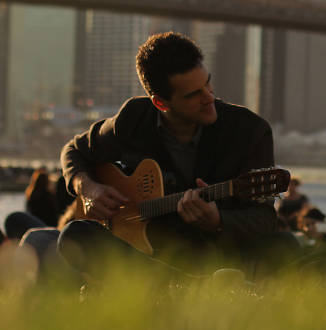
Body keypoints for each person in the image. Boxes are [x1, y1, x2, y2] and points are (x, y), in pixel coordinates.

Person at [58, 32, 280, 280]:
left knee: (284, 244)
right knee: (73, 235)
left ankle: (177, 284)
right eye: (193, 94)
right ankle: (185, 285)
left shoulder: (250, 130)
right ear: (161, 103)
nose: (209, 98)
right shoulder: (134, 118)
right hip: (145, 251)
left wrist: (217, 220)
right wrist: (88, 188)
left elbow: (265, 219)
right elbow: (73, 151)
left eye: (208, 83)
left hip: (213, 255)